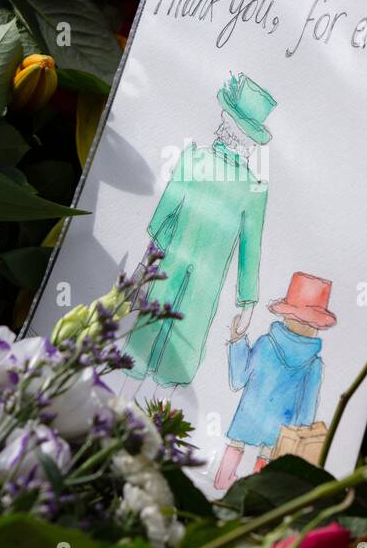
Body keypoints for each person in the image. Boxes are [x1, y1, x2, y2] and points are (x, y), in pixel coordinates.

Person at [121, 73, 276, 401]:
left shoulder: (214, 169)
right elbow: (249, 253)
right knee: (163, 345)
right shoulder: (244, 185)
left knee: (159, 343)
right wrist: (247, 303)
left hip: (177, 275)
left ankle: (132, 407)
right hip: (183, 278)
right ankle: (141, 412)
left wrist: (144, 265)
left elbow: (165, 222)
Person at [213, 272, 336, 491]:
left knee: (236, 444)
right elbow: (307, 409)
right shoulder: (314, 365)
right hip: (281, 428)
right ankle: (255, 490)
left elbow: (238, 378)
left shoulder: (265, 344)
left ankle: (223, 480)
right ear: (316, 325)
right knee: (267, 455)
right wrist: (300, 433)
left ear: (287, 315)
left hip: (248, 416)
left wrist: (237, 341)